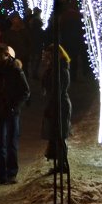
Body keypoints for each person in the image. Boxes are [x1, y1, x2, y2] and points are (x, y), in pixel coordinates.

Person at [0, 46, 30, 185]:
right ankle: (1, 175)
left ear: (7, 55)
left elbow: (25, 92)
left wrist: (13, 107)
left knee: (11, 143)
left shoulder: (15, 71)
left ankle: (11, 173)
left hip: (11, 112)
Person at [40, 44, 72, 173]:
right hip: (55, 102)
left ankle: (62, 165)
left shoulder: (60, 70)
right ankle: (59, 164)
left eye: (48, 54)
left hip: (60, 104)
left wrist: (51, 105)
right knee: (56, 134)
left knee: (59, 135)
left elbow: (58, 90)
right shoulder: (54, 68)